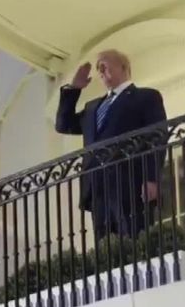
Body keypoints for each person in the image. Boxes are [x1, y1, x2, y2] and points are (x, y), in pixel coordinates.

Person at [55, 49, 167, 239]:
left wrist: (151, 177)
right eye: (98, 67)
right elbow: (63, 125)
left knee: (134, 237)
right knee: (105, 245)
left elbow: (158, 136)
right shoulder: (92, 108)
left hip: (130, 180)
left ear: (123, 67)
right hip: (96, 186)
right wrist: (74, 89)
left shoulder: (146, 97)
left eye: (104, 65)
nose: (100, 70)